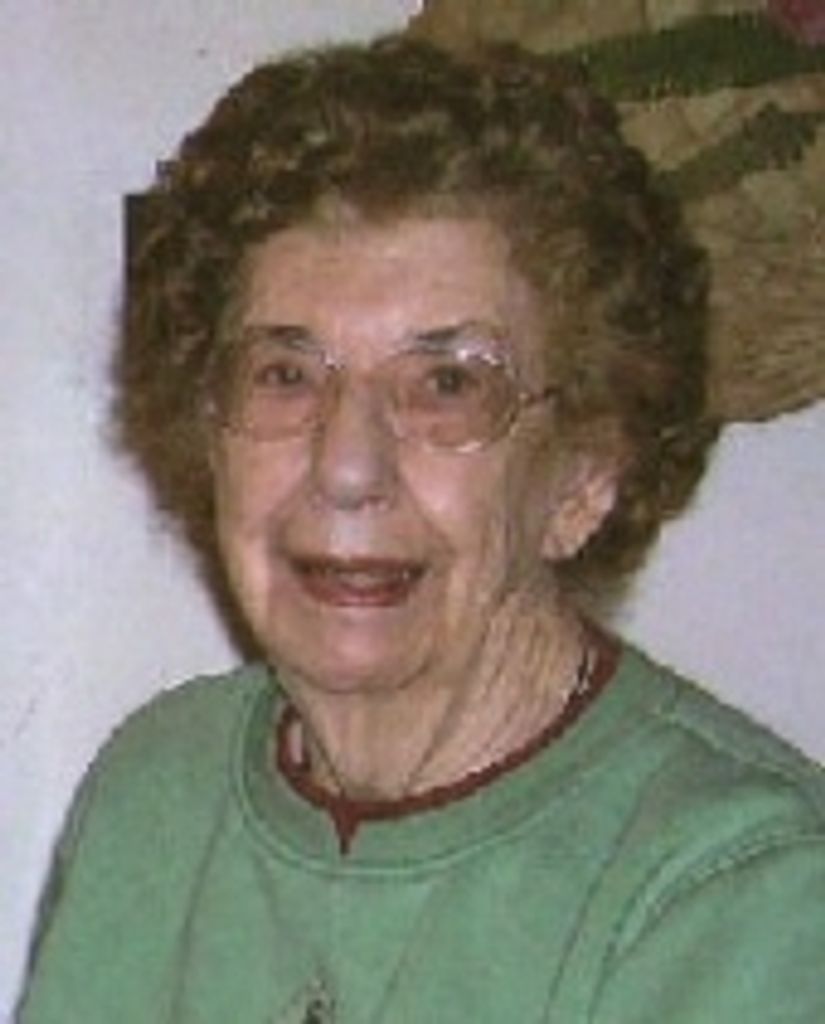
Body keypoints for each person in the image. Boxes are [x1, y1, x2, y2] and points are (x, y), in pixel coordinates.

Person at [18, 34, 825, 1024]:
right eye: (285, 374)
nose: (346, 467)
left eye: (446, 384)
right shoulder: (157, 794)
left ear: (583, 476)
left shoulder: (743, 893)